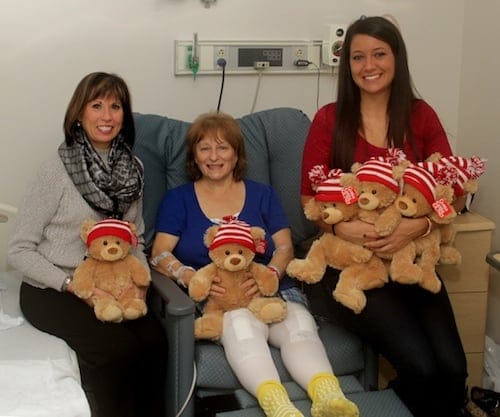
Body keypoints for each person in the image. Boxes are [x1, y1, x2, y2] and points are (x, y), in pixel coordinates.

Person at [300, 15, 468, 417]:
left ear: (397, 58)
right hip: (350, 264)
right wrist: (345, 225)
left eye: (379, 54)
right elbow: (309, 198)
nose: (368, 65)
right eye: (358, 57)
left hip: (407, 257)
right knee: (423, 369)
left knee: (454, 369)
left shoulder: (420, 116)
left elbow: (455, 193)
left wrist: (421, 224)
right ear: (348, 65)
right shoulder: (329, 118)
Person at [150, 111, 360, 417]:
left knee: (298, 324)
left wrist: (270, 276)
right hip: (219, 299)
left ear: (237, 154)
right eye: (204, 148)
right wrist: (190, 275)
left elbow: (286, 246)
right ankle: (278, 406)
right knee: (241, 325)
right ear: (194, 156)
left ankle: (329, 397)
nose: (214, 156)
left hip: (272, 290)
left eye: (223, 147)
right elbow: (159, 254)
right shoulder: (178, 199)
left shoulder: (263, 195)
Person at [8, 72, 167, 417]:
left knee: (155, 340)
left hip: (116, 283)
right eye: (97, 105)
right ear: (79, 113)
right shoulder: (56, 170)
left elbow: (134, 236)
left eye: (115, 106)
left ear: (125, 115)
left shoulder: (133, 169)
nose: (107, 116)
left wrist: (138, 283)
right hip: (54, 288)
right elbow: (18, 249)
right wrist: (72, 286)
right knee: (115, 348)